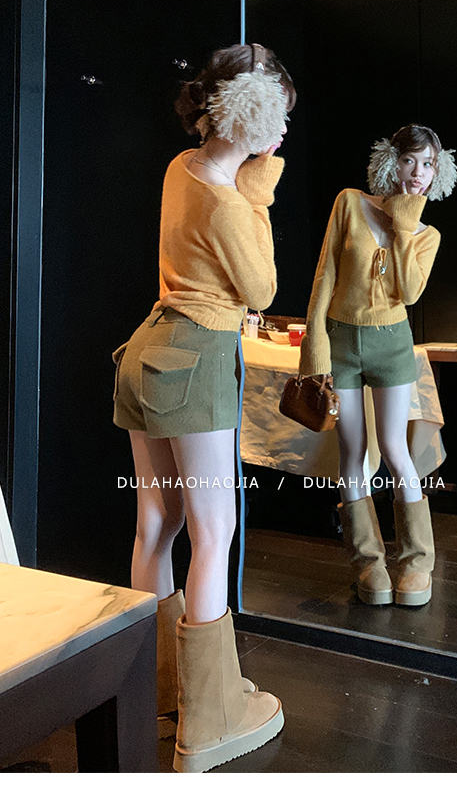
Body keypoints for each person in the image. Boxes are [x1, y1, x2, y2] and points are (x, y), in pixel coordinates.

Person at [112, 43, 294, 773]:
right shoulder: (228, 200)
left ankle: (163, 693)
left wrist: (247, 163)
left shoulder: (180, 167)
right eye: (278, 114)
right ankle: (212, 721)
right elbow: (263, 288)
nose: (283, 130)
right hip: (197, 357)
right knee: (214, 530)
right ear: (253, 115)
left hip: (146, 350)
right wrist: (263, 182)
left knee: (156, 525)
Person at [299, 124, 457, 608]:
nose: (418, 172)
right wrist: (314, 350)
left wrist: (405, 224)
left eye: (428, 164)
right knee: (353, 451)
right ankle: (368, 563)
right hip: (341, 342)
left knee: (395, 449)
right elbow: (324, 277)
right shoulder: (350, 203)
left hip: (392, 346)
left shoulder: (427, 235)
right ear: (392, 161)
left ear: (438, 173)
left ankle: (417, 562)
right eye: (410, 160)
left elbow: (408, 292)